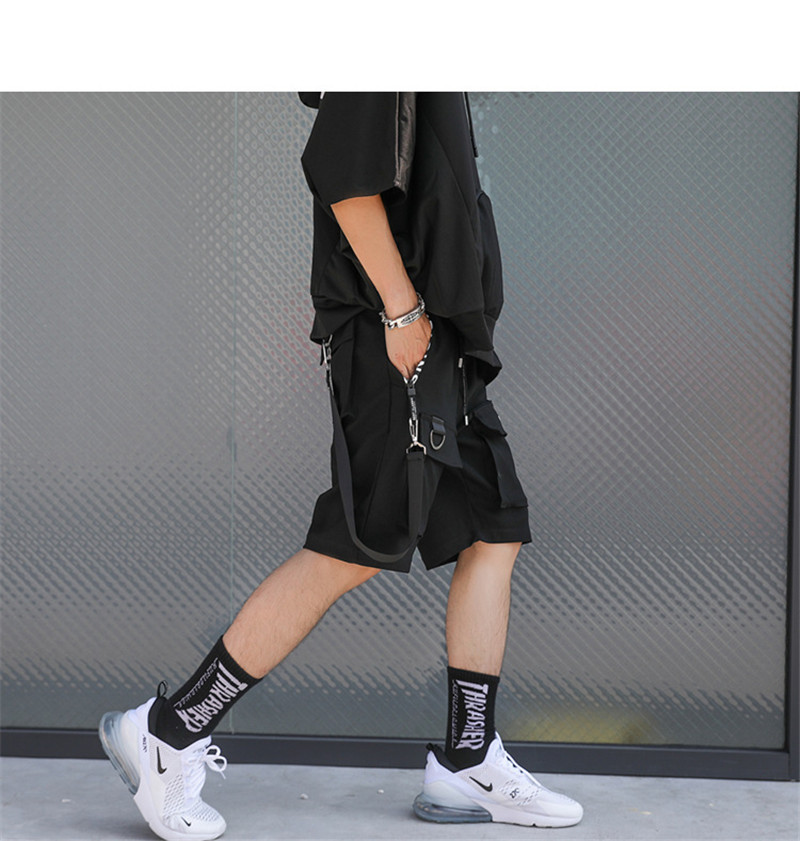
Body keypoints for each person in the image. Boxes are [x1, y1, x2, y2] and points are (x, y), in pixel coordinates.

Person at [98, 92, 583, 840]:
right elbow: (343, 176)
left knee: (493, 527)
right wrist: (401, 310)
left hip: (440, 343)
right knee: (356, 547)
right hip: (400, 339)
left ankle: (467, 760)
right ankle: (168, 731)